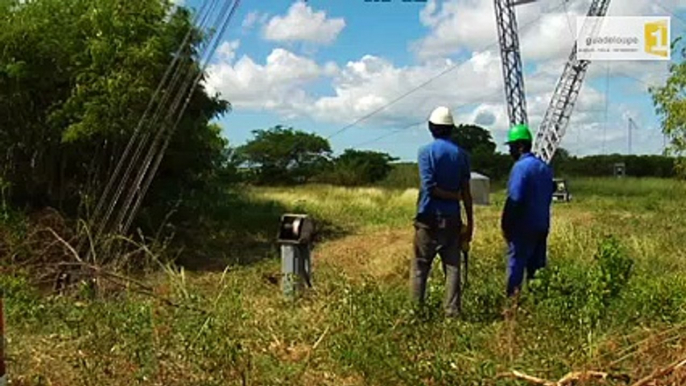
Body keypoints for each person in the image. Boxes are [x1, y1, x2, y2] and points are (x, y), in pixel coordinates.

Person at [412, 106, 473, 317]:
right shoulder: (462, 155)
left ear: (431, 127)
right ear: (451, 129)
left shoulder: (425, 152)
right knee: (453, 267)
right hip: (452, 219)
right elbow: (466, 193)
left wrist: (449, 195)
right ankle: (452, 313)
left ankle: (416, 312)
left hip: (428, 219)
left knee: (421, 267)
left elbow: (429, 186)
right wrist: (470, 224)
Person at [501, 124, 554, 298]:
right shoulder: (545, 168)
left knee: (516, 266)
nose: (510, 151)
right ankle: (539, 301)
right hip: (542, 225)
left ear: (521, 146)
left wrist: (506, 225)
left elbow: (515, 199)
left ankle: (512, 303)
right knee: (537, 269)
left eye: (512, 147)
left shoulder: (520, 168)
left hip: (523, 228)